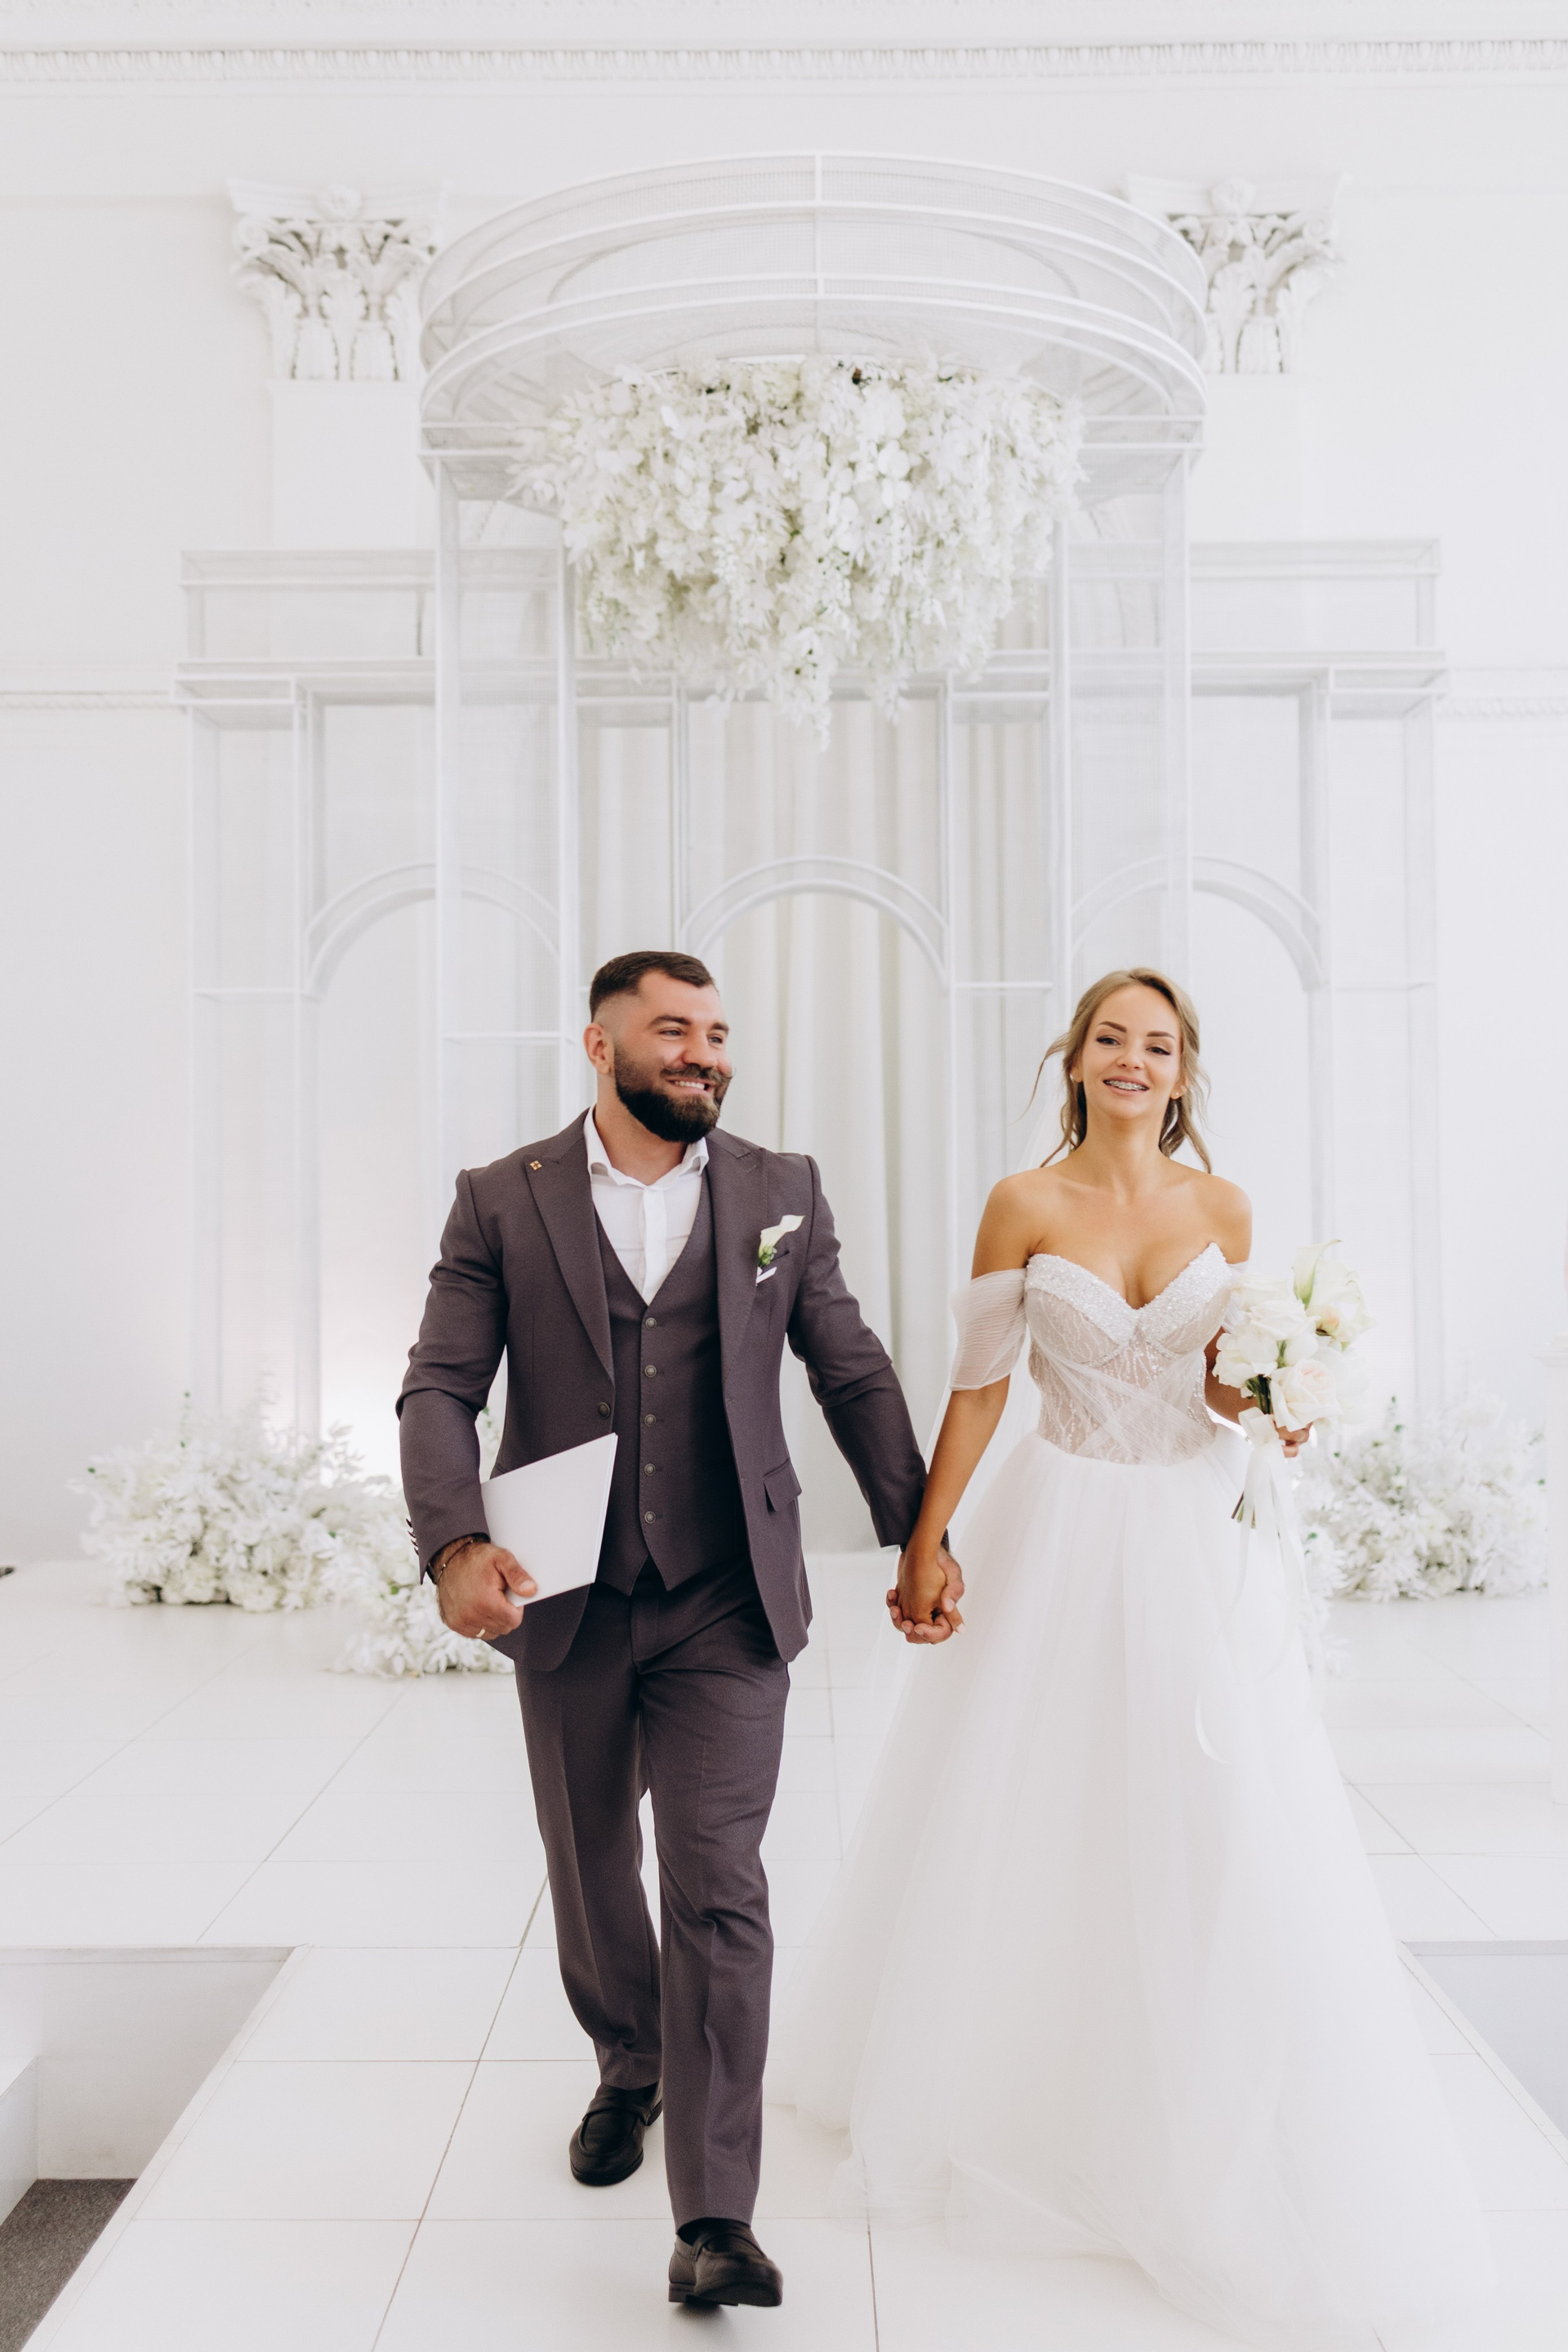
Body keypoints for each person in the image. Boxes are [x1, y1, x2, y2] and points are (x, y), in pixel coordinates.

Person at [773, 967, 1494, 2352]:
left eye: (1157, 1046)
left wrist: (1280, 1399)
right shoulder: (1023, 1203)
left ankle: (1207, 2086)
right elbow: (981, 1385)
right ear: (1077, 1057)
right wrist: (927, 1537)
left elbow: (1223, 1383)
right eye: (1112, 1037)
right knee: (1034, 1798)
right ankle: (1016, 2079)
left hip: (1189, 1531)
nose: (1132, 1060)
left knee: (1210, 1806)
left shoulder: (1223, 1209)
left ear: (1182, 1070)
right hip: (1060, 1518)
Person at [397, 949, 944, 2313]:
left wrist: (917, 1528)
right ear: (600, 1045)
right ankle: (630, 2061)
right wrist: (453, 1545)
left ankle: (716, 2215)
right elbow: (441, 1386)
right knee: (592, 1865)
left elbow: (848, 1365)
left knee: (718, 1885)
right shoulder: (501, 1198)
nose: (706, 1053)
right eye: (675, 1030)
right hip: (566, 1591)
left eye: (718, 1031)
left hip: (726, 1595)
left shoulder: (780, 1190)